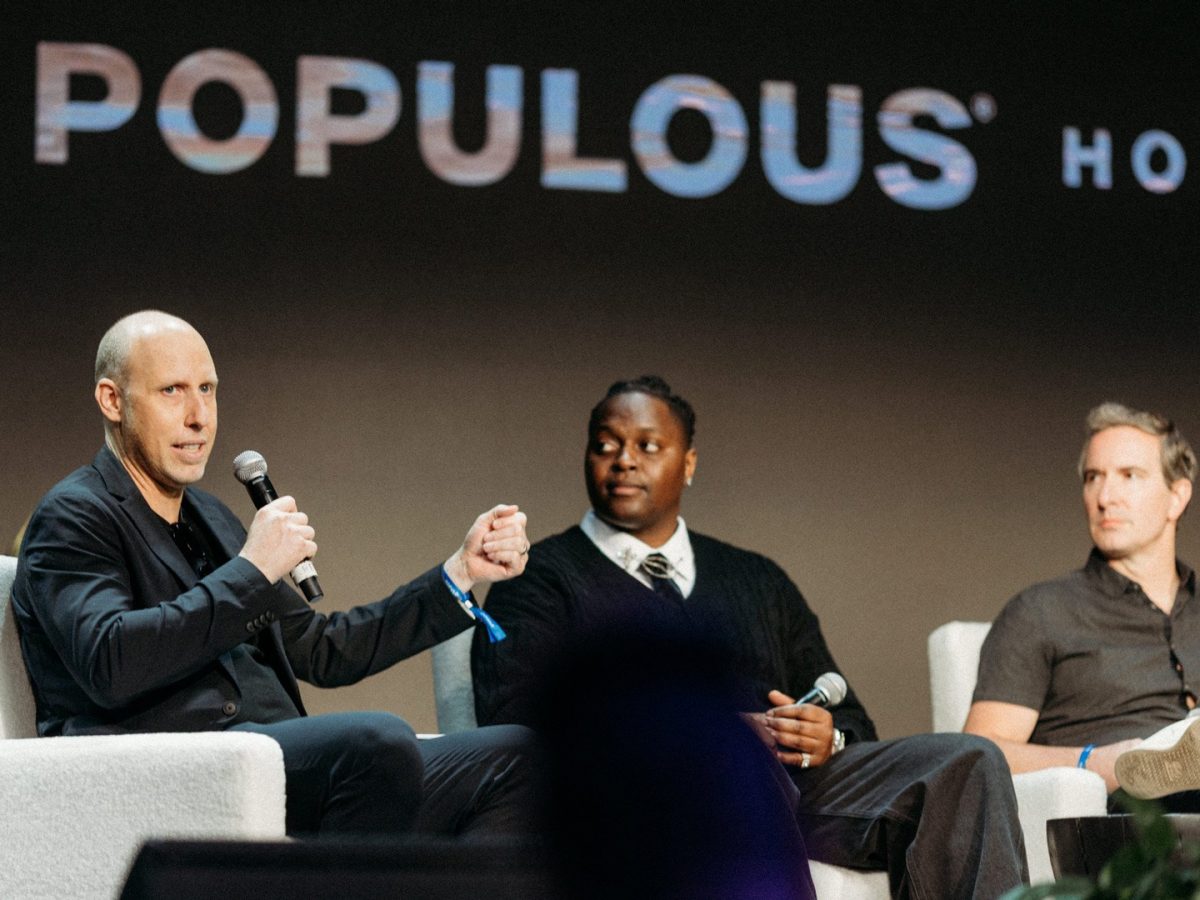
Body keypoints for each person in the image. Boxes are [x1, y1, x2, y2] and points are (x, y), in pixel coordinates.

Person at [471, 375, 1028, 899]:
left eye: (648, 445)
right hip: (643, 797)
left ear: (688, 463)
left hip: (801, 788)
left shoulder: (757, 578)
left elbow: (852, 717)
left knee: (965, 761)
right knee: (736, 758)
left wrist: (828, 737)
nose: (624, 460)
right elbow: (511, 717)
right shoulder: (538, 576)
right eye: (605, 445)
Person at [13, 310, 539, 837]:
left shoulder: (210, 516)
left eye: (207, 390)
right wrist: (253, 570)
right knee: (376, 744)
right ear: (112, 400)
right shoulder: (74, 515)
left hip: (272, 761)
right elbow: (110, 662)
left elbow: (323, 649)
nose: (199, 417)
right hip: (173, 768)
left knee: (518, 755)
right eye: (172, 391)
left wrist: (460, 572)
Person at [965, 402, 1199, 805]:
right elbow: (976, 754)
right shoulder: (1041, 611)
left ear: (1177, 497)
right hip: (1124, 812)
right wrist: (1094, 761)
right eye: (1093, 478)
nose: (1105, 497)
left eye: (1129, 476)